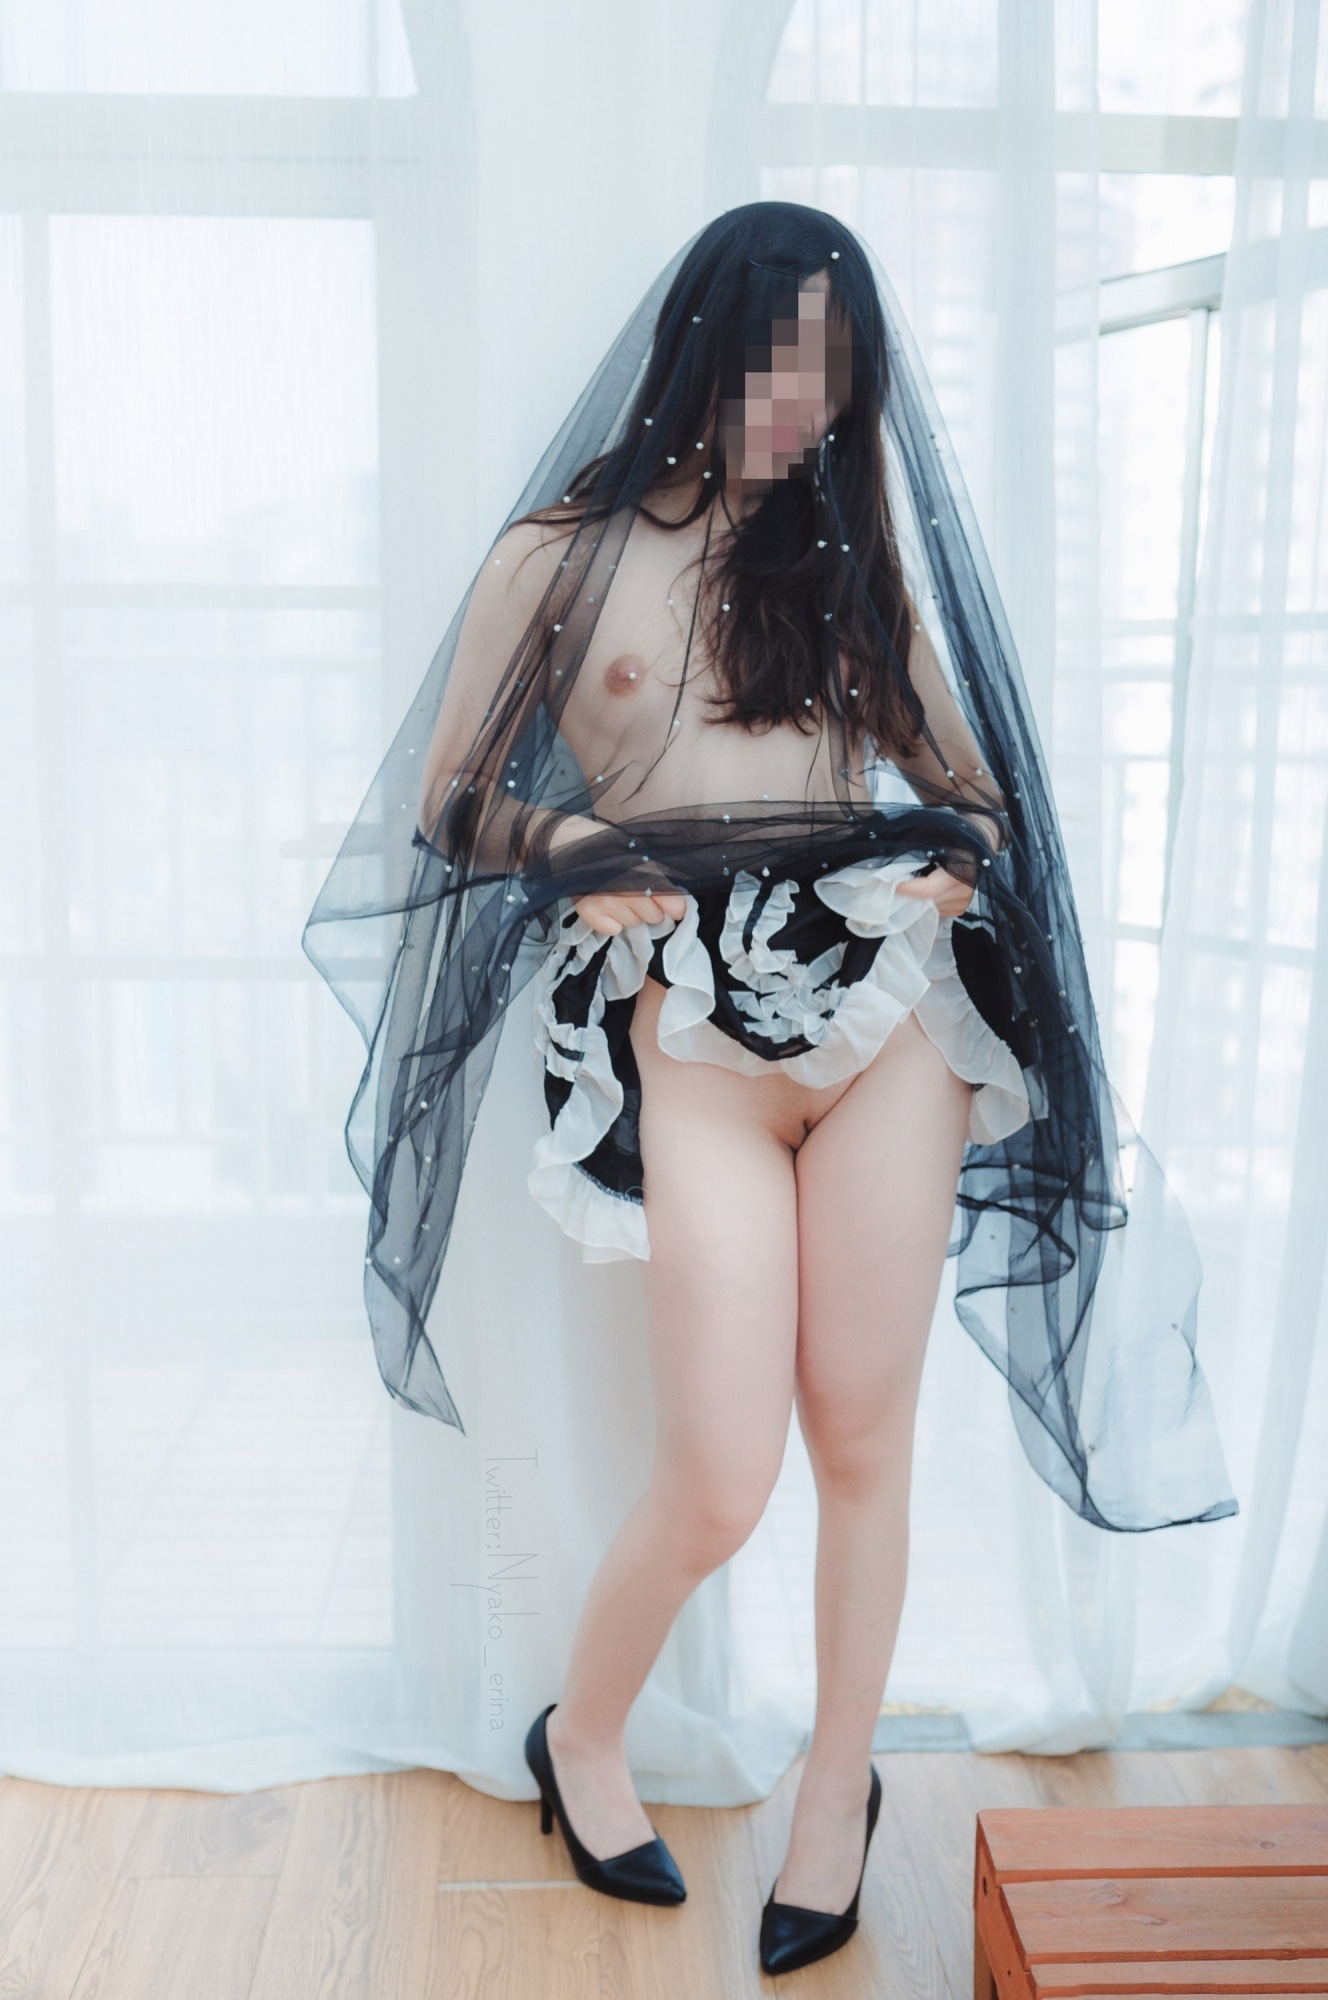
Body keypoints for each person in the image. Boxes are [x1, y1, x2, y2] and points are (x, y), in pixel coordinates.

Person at [303, 202, 1235, 1978]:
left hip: (886, 1013)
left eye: (834, 371)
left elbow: (971, 785)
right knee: (722, 1473)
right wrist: (567, 843)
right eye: (774, 359)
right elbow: (448, 801)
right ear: (702, 346)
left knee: (863, 1437)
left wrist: (953, 857)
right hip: (691, 1019)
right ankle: (581, 1735)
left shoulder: (848, 558)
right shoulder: (558, 558)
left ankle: (835, 1791)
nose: (801, 403)